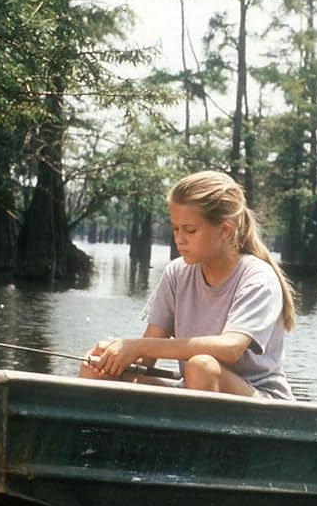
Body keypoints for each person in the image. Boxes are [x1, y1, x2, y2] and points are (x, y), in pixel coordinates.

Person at [80, 170, 296, 400]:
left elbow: (230, 349)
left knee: (201, 366)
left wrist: (138, 345)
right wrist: (115, 356)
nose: (179, 239)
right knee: (97, 363)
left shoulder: (258, 277)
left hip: (262, 404)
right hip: (195, 393)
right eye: (175, 228)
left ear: (225, 230)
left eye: (190, 230)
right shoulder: (176, 273)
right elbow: (147, 358)